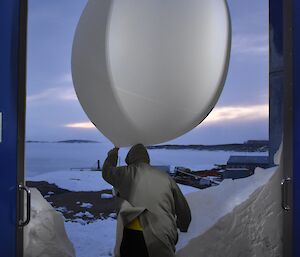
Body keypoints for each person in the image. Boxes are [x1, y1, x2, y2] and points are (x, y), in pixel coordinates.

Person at [102, 144, 191, 257]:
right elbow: (182, 207)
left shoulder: (125, 173)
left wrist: (113, 153)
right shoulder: (166, 178)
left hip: (134, 235)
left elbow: (107, 171)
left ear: (130, 158)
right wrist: (183, 225)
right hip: (163, 233)